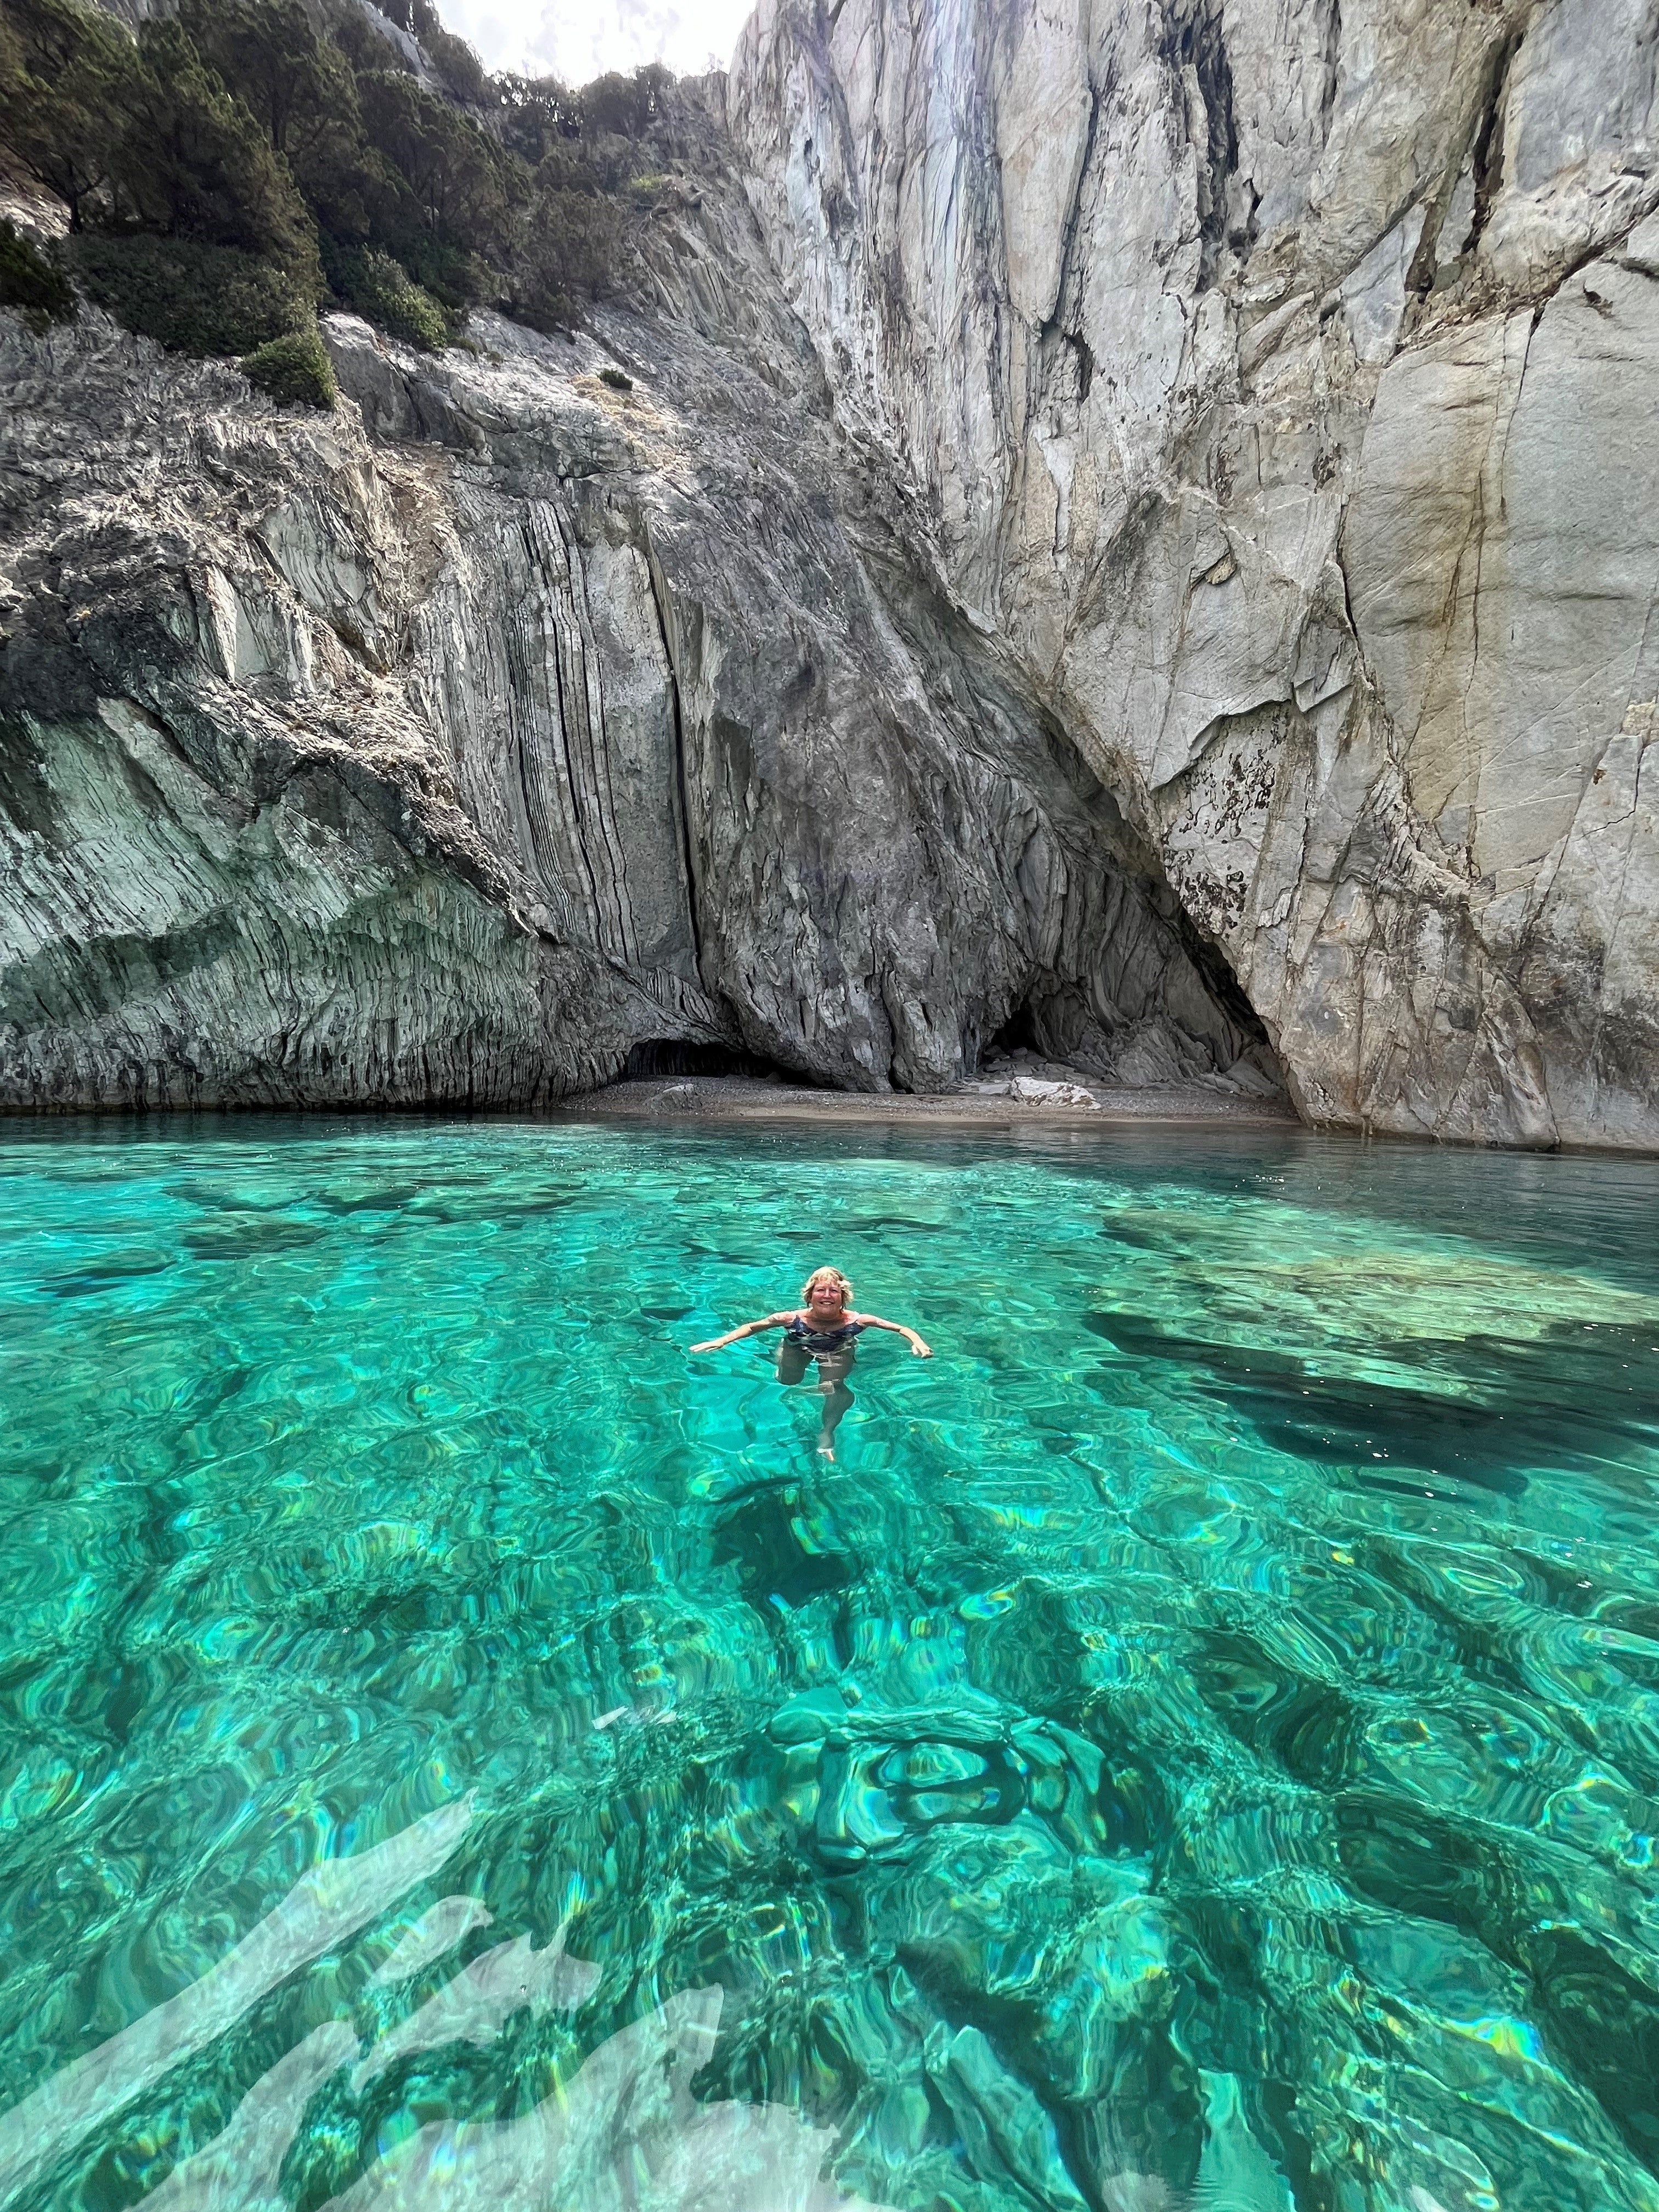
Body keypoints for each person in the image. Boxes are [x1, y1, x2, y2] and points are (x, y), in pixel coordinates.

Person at [690, 1265, 931, 1458]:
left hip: (838, 1349)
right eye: (820, 1290)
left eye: (833, 1291)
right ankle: (785, 1371)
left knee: (833, 1386)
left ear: (843, 1297)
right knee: (788, 1381)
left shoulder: (858, 1320)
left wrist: (917, 1341)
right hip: (798, 1346)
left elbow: (901, 1328)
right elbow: (753, 1327)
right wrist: (722, 1341)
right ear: (810, 1295)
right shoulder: (789, 1318)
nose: (827, 1296)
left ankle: (827, 1433)